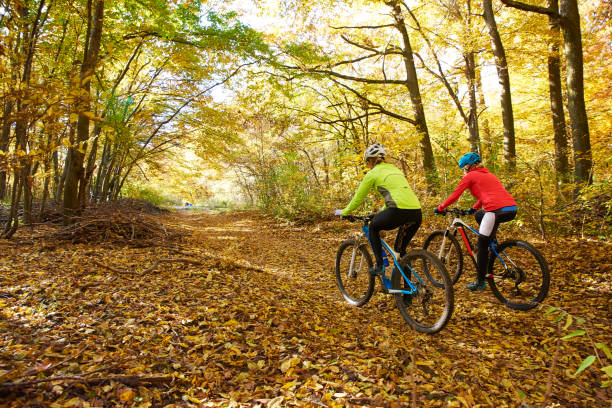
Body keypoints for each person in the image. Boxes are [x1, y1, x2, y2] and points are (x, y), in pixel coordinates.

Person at [334, 143, 422, 276]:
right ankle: (407, 294)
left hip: (398, 210)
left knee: (373, 227)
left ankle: (380, 266)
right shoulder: (395, 170)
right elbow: (397, 194)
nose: (367, 164)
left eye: (367, 162)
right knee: (401, 251)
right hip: (416, 212)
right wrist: (382, 212)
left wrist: (344, 211)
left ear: (371, 160)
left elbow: (358, 198)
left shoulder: (372, 174)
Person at [434, 152, 517, 291]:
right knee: (479, 215)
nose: (463, 171)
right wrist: (474, 208)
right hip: (511, 208)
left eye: (463, 168)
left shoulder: (471, 176)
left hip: (495, 211)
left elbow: (456, 194)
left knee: (482, 245)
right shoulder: (489, 175)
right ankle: (493, 242)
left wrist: (441, 207)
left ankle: (480, 281)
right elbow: (488, 195)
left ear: (469, 166)